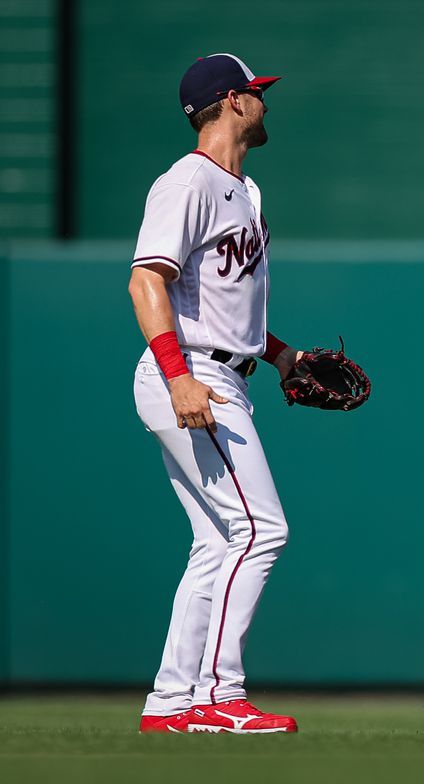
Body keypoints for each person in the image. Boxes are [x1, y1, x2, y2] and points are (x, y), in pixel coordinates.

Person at [129, 53, 308, 734]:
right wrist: (179, 375)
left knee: (217, 541)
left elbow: (221, 308)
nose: (265, 103)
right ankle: (218, 695)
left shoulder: (246, 191)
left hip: (225, 365)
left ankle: (172, 700)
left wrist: (281, 354)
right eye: (257, 94)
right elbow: (146, 281)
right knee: (262, 530)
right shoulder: (188, 180)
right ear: (232, 101)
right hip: (190, 373)